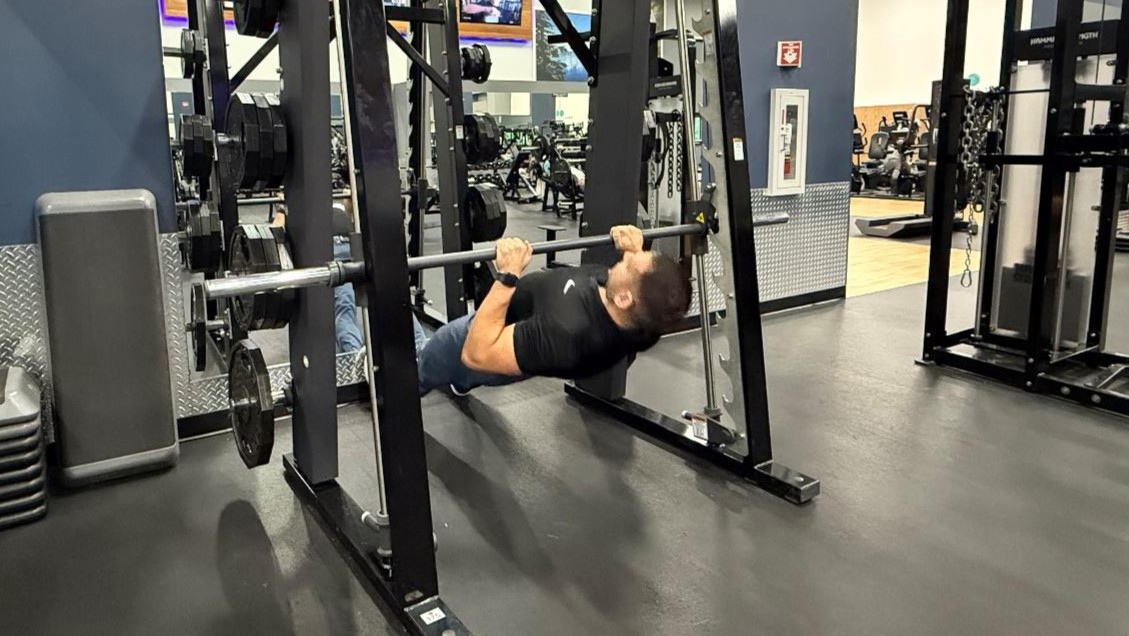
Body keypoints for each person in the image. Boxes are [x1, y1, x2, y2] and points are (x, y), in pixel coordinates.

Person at [414, 225, 692, 395]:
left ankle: (411, 386)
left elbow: (477, 354)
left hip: (484, 335)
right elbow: (649, 291)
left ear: (623, 300)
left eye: (629, 265)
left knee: (427, 360)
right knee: (466, 375)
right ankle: (461, 381)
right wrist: (636, 251)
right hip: (521, 334)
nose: (624, 260)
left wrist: (508, 275)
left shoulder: (567, 334)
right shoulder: (646, 321)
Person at [272, 200, 364, 354]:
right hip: (329, 248)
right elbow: (274, 231)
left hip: (352, 244)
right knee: (344, 306)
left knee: (382, 298)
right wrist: (283, 208)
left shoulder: (339, 195)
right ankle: (354, 354)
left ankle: (415, 349)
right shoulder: (301, 196)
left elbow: (355, 208)